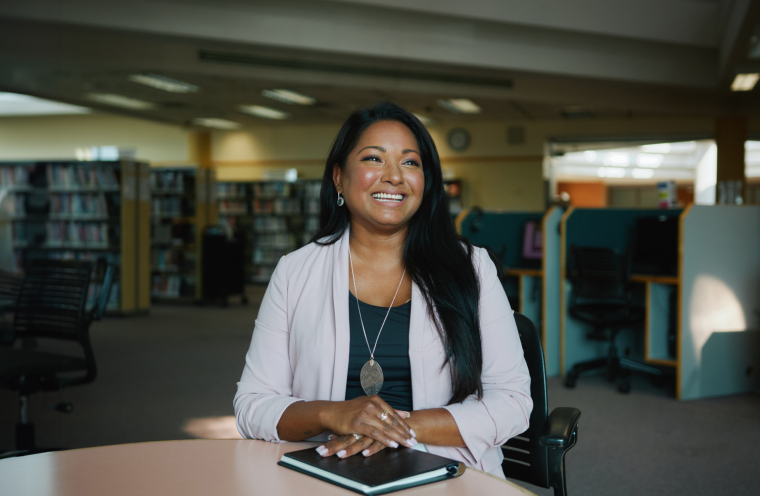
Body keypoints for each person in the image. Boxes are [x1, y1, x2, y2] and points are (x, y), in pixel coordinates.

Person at [234, 102, 532, 478]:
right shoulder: (295, 271)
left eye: (410, 162)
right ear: (339, 178)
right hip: (327, 470)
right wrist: (335, 414)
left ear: (427, 181)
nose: (394, 176)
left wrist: (396, 428)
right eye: (374, 159)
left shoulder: (471, 267)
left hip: (443, 472)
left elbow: (513, 402)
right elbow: (252, 405)